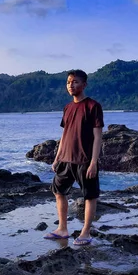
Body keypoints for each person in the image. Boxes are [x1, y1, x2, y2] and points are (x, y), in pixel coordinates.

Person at [43, 69, 104, 246]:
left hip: (85, 160)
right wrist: (57, 157)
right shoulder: (67, 108)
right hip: (65, 159)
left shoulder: (93, 106)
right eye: (69, 82)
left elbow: (98, 136)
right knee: (58, 192)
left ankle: (85, 232)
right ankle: (62, 229)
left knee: (89, 196)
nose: (71, 85)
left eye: (75, 82)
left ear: (84, 85)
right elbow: (65, 134)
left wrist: (94, 161)